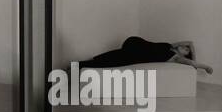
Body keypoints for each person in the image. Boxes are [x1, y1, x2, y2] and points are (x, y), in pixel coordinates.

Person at [77, 37, 212, 75]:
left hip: (135, 54)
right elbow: (190, 41)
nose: (185, 47)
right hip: (135, 42)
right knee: (112, 57)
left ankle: (79, 65)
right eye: (184, 47)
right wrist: (190, 48)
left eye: (186, 50)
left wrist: (206, 67)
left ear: (184, 56)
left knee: (109, 59)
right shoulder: (170, 45)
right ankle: (79, 65)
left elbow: (193, 64)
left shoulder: (175, 58)